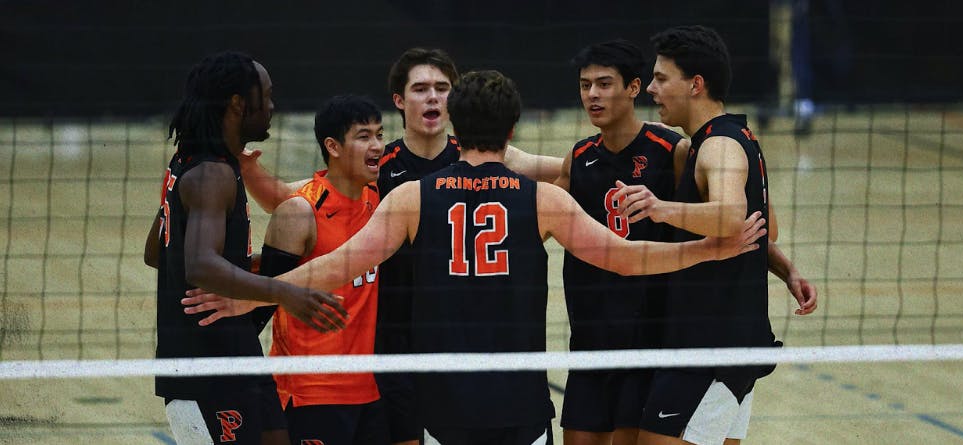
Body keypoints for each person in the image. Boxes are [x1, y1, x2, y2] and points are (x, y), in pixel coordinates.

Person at [183, 69, 767, 445]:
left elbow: (334, 267)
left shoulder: (412, 197)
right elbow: (626, 258)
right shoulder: (545, 200)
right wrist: (708, 247)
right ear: (512, 128)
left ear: (455, 128)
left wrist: (250, 297)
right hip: (519, 401)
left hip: (444, 403)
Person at [235, 47, 561, 445]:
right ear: (399, 101)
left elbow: (571, 169)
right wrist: (248, 169)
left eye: (443, 88)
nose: (433, 97)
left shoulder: (486, 154)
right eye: (421, 88)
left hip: (453, 336)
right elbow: (299, 201)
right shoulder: (377, 165)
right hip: (385, 339)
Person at [613, 26, 812, 444]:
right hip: (724, 342)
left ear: (695, 84)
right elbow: (766, 228)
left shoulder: (719, 147)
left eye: (662, 78)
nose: (651, 88)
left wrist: (658, 207)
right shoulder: (735, 138)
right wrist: (787, 270)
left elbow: (731, 216)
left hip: (712, 348)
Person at [143, 51, 347, 445]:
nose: (272, 107)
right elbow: (200, 265)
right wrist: (284, 291)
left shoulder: (191, 161)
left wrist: (241, 263)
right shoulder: (212, 172)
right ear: (238, 104)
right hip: (203, 367)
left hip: (235, 354)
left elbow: (158, 251)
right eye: (266, 97)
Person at [217, 95, 388, 444]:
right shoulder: (301, 211)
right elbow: (263, 303)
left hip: (367, 389)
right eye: (364, 136)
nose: (377, 146)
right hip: (310, 390)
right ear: (333, 146)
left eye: (380, 134)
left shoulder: (379, 200)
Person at [553, 39, 686, 445]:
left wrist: (783, 267)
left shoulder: (671, 151)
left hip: (646, 344)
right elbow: (538, 222)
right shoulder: (579, 158)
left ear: (633, 88)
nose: (592, 95)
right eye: (585, 85)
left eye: (604, 84)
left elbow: (722, 217)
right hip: (590, 342)